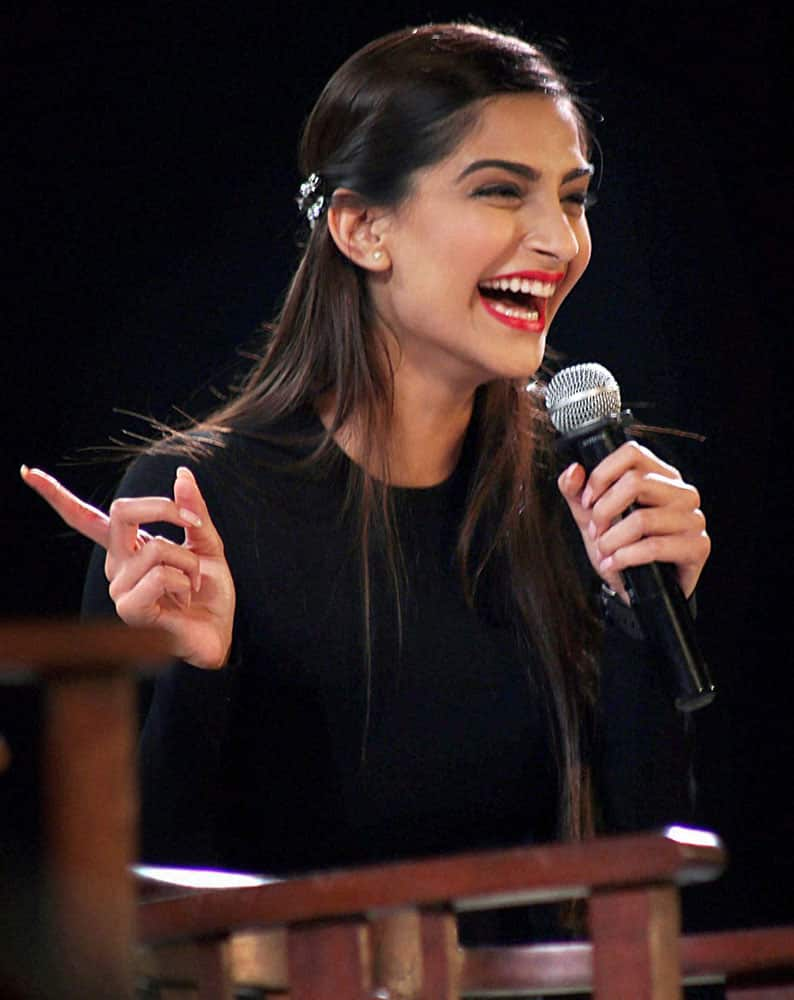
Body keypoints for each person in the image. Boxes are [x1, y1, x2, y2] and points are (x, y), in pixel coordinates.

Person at [22, 22, 710, 942]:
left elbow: (639, 888)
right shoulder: (197, 506)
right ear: (361, 228)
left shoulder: (581, 494)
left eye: (574, 198)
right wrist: (197, 678)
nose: (558, 238)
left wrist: (637, 623)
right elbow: (113, 919)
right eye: (501, 191)